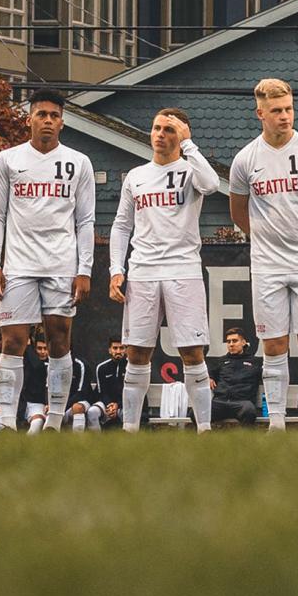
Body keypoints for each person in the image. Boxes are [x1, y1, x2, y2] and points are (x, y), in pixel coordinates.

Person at [229, 79, 298, 432]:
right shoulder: (245, 159)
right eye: (276, 110)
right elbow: (237, 212)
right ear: (260, 113)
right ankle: (276, 422)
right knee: (274, 344)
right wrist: (266, 239)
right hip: (266, 264)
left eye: (289, 109)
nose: (285, 116)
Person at [0, 89, 95, 431]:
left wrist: (85, 270)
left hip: (61, 265)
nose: (47, 120)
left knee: (60, 339)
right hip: (18, 265)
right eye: (41, 114)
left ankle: (54, 418)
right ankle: (6, 421)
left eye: (54, 115)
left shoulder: (79, 162)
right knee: (12, 341)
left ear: (62, 122)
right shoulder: (7, 159)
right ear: (29, 118)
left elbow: (85, 220)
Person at [109, 107, 220, 433]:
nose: (160, 134)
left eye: (168, 129)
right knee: (137, 352)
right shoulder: (136, 176)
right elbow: (120, 225)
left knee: (191, 351)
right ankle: (130, 429)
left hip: (183, 270)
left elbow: (212, 184)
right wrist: (117, 269)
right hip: (142, 272)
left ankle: (204, 430)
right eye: (157, 127)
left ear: (182, 134)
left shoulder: (191, 171)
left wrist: (189, 145)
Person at [210, 327, 260, 426]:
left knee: (249, 410)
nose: (231, 344)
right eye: (228, 342)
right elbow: (208, 373)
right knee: (196, 412)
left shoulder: (255, 362)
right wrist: (209, 377)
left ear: (243, 342)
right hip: (220, 402)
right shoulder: (221, 361)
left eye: (235, 341)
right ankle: (206, 437)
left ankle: (245, 440)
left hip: (242, 403)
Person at [91, 339, 127, 430]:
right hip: (106, 404)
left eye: (121, 348)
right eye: (115, 348)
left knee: (128, 414)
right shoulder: (101, 367)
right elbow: (101, 392)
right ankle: (94, 442)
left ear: (125, 350)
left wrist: (117, 405)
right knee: (92, 412)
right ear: (110, 350)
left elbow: (131, 393)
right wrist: (110, 405)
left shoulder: (131, 368)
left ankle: (128, 442)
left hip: (124, 405)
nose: (118, 351)